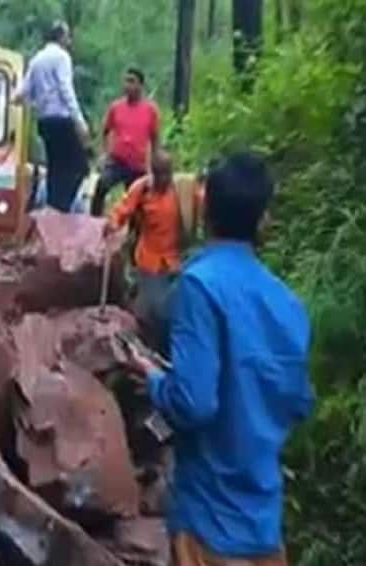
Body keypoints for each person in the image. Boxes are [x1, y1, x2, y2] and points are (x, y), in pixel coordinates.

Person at [127, 152, 315, 566]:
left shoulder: (199, 286)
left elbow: (194, 403)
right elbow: (298, 402)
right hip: (264, 524)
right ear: (264, 220)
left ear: (204, 207)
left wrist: (155, 379)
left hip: (209, 523)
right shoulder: (289, 304)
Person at [105, 150, 202, 353]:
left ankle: (167, 351)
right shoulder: (141, 190)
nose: (164, 179)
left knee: (173, 311)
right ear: (152, 172)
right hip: (149, 259)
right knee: (154, 311)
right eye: (159, 174)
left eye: (167, 174)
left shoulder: (182, 190)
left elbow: (205, 201)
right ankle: (150, 351)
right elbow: (122, 209)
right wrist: (112, 224)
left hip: (177, 259)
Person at [13, 20, 90, 212]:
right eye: (68, 37)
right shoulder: (62, 57)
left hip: (45, 122)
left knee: (56, 167)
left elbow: (23, 91)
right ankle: (60, 207)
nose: (69, 41)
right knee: (79, 167)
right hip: (61, 119)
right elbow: (66, 89)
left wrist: (11, 99)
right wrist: (79, 120)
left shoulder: (37, 59)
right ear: (62, 37)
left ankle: (52, 206)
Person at [92, 67, 160, 216]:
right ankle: (94, 224)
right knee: (101, 185)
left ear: (140, 85)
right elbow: (104, 131)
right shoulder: (116, 107)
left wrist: (155, 167)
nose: (127, 85)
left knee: (138, 205)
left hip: (138, 165)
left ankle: (134, 235)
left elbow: (155, 140)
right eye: (125, 81)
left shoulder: (150, 110)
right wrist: (102, 154)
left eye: (131, 81)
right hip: (117, 161)